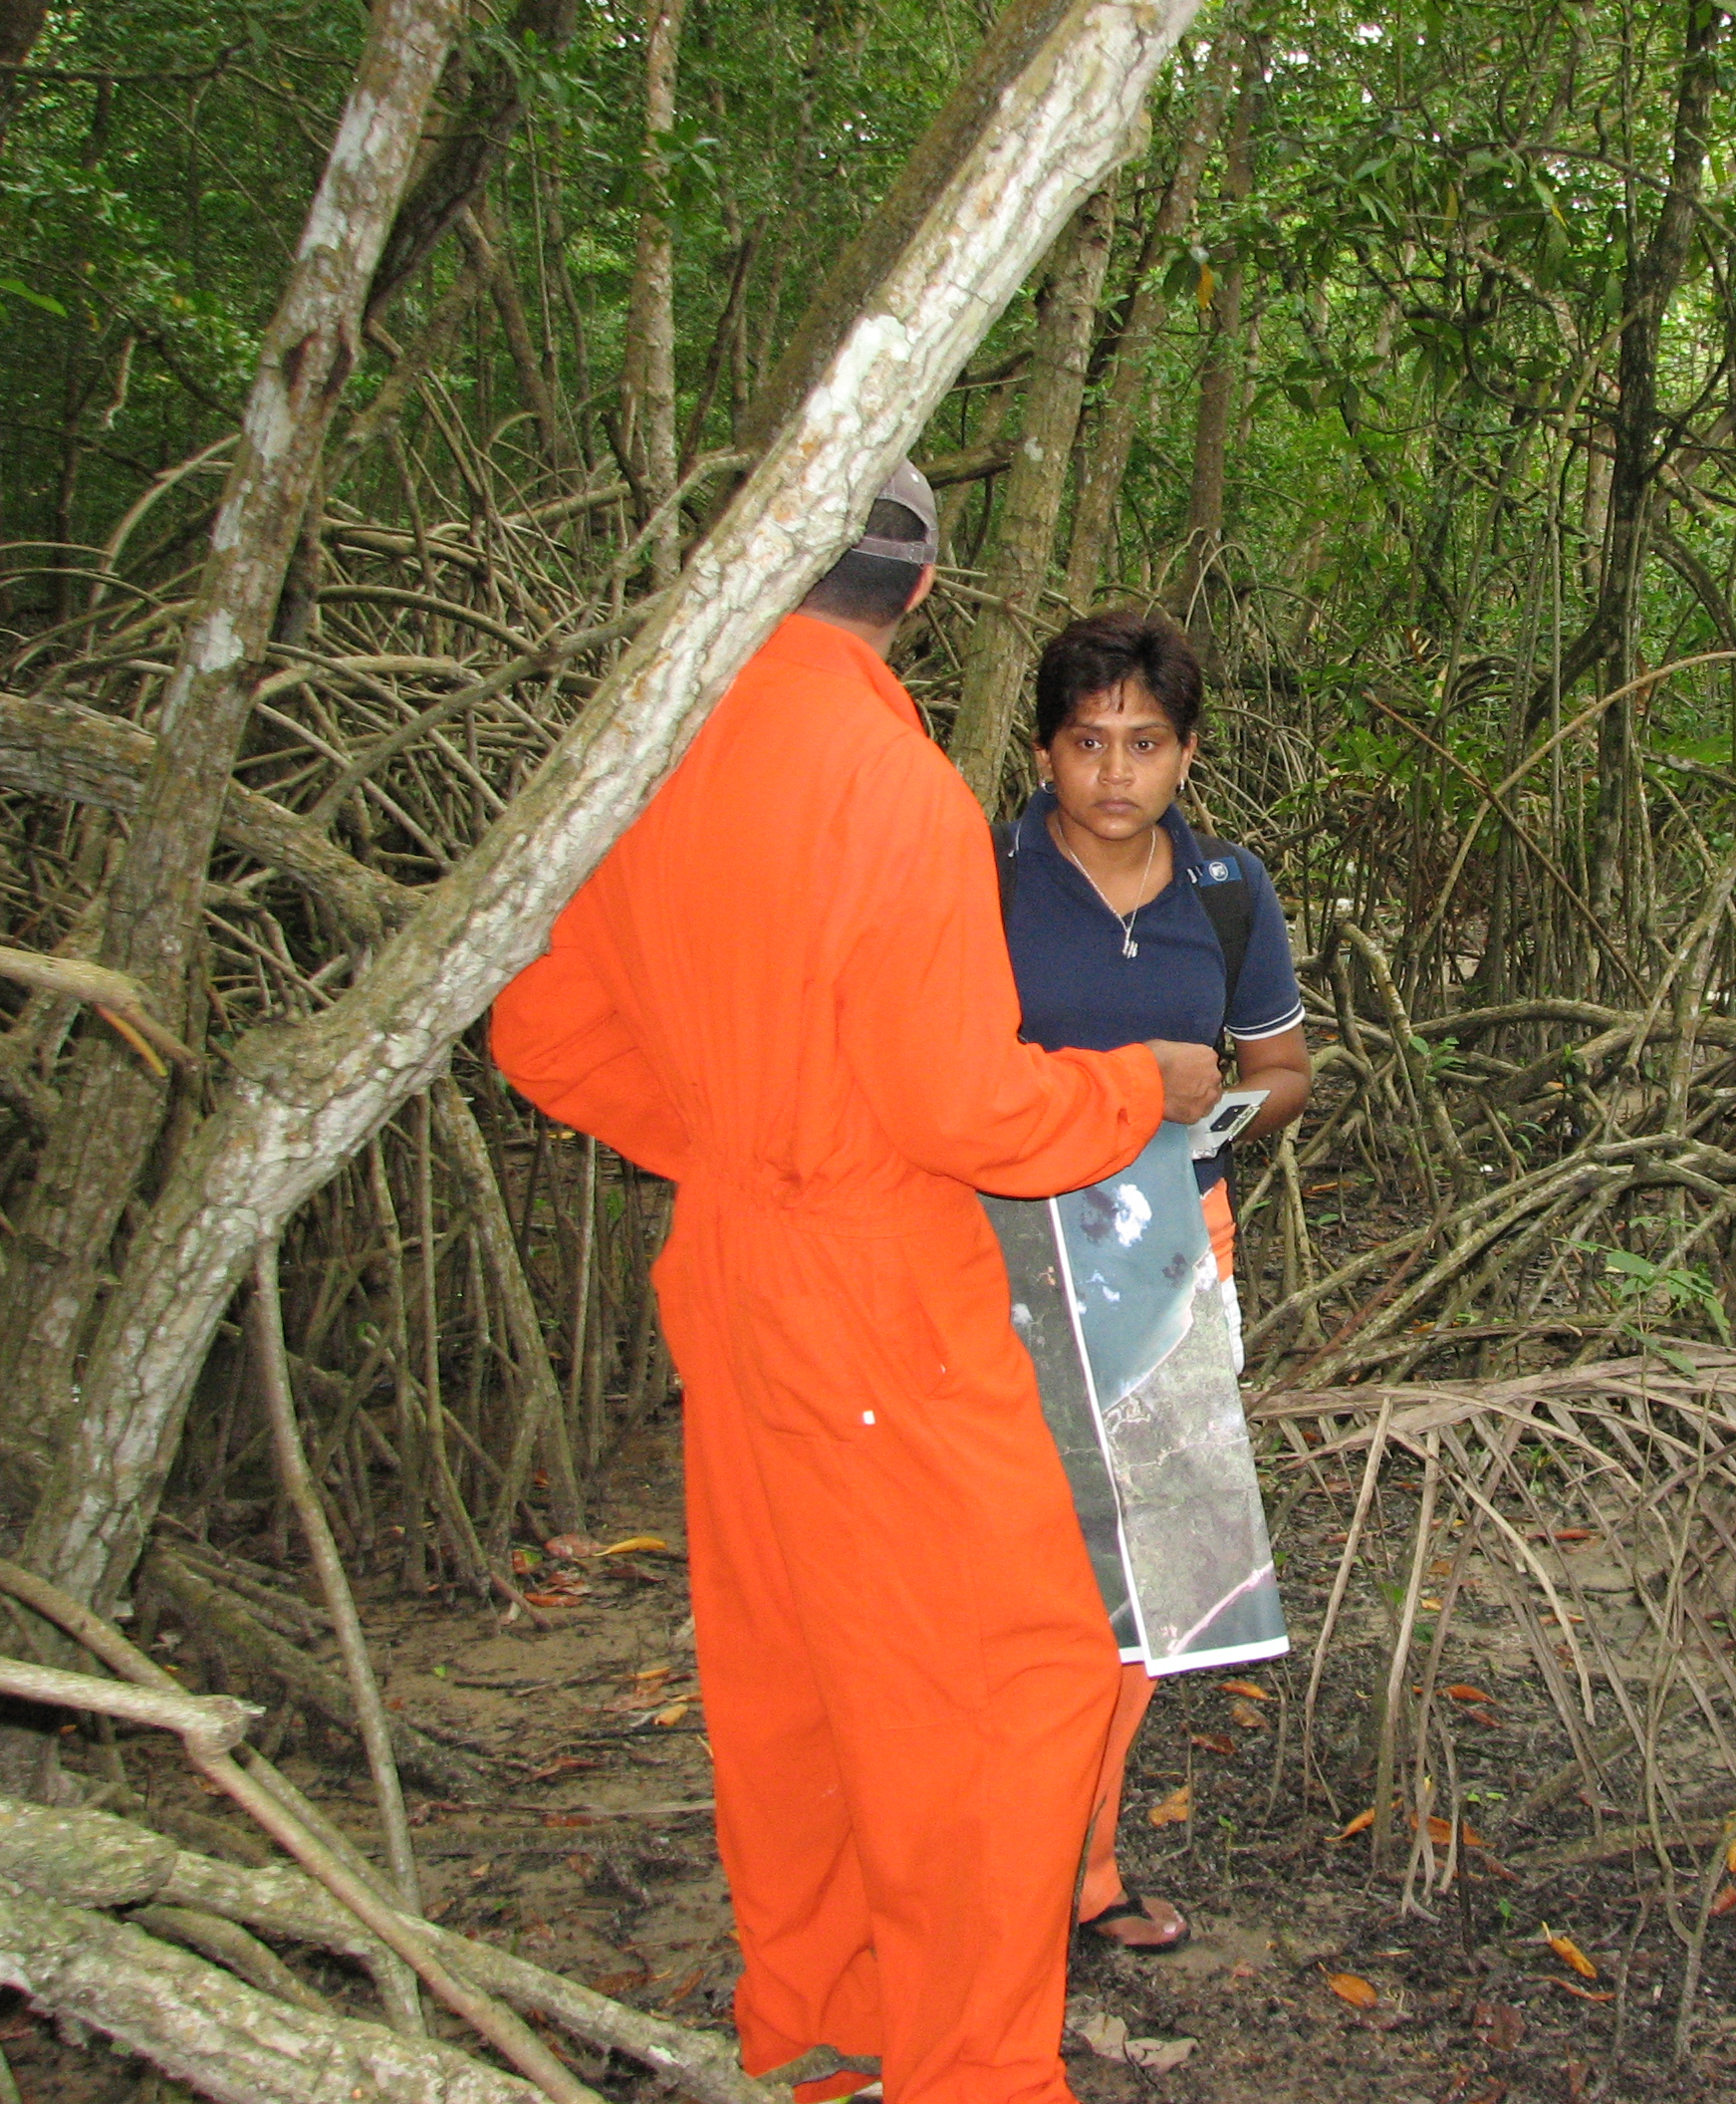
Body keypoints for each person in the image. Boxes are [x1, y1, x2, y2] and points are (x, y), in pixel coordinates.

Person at [488, 463, 1222, 2104]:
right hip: (874, 1284)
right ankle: (972, 2072)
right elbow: (962, 1110)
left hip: (737, 1272)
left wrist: (745, 1134)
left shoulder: (653, 749)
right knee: (1010, 1675)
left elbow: (535, 1029)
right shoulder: (880, 783)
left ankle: (820, 2037)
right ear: (926, 593)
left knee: (793, 1668)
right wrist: (1138, 1091)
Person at [995, 609, 1312, 1955]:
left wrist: (1199, 1131)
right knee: (1004, 1568)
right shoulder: (980, 873)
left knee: (1144, 1582)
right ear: (1047, 748)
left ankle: (1087, 1865)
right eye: (1086, 742)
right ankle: (982, 1860)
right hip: (998, 1259)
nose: (1113, 772)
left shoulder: (1228, 888)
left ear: (1188, 754)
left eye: (1144, 743)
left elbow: (1283, 1070)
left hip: (1177, 1257)